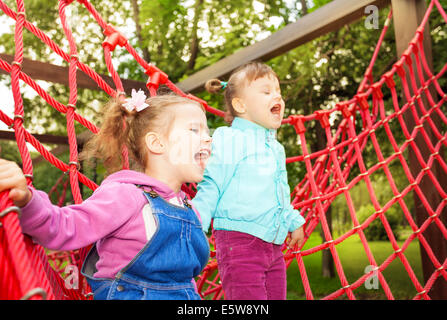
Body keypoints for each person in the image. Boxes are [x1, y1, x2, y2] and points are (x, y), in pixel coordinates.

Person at [0, 91, 212, 300]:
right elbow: (63, 225)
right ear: (157, 144)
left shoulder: (188, 208)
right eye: (195, 130)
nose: (208, 139)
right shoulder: (126, 195)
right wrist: (27, 201)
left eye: (207, 132)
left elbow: (184, 279)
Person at [192, 62, 305, 300]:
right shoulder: (231, 138)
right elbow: (212, 182)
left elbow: (280, 191)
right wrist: (197, 223)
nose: (277, 96)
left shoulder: (276, 148)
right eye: (266, 91)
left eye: (278, 93)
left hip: (274, 245)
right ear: (240, 105)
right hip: (239, 242)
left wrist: (293, 220)